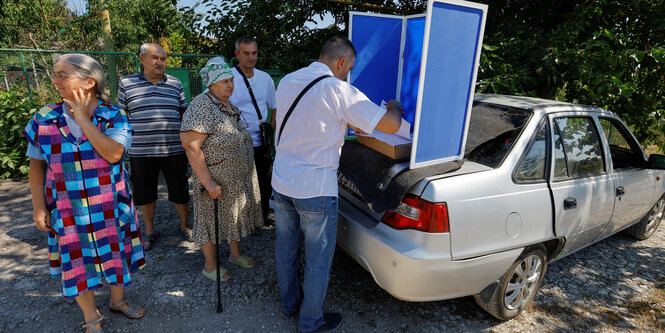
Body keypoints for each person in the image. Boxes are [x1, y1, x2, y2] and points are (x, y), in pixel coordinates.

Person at [272, 36, 402, 332]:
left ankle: (289, 305)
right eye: (349, 68)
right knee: (318, 259)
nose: (348, 74)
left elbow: (302, 120)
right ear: (341, 62)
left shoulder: (289, 80)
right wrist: (393, 106)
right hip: (315, 189)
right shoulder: (338, 89)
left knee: (286, 248)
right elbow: (391, 125)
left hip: (282, 182)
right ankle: (310, 322)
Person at [25, 54, 146, 333]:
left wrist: (82, 118)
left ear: (89, 82)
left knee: (115, 255)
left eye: (62, 75)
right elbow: (36, 166)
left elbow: (115, 154)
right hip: (68, 212)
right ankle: (91, 317)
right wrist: (38, 207)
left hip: (109, 207)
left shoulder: (113, 116)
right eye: (54, 75)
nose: (55, 81)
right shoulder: (44, 119)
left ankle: (118, 301)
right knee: (77, 263)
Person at [180, 57, 263, 281]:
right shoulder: (202, 104)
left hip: (235, 177)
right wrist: (208, 182)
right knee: (210, 221)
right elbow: (190, 145)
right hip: (215, 178)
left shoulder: (227, 105)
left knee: (232, 216)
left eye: (231, 81)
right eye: (224, 81)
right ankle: (209, 266)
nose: (230, 85)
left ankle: (235, 255)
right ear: (211, 83)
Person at [118, 43, 191, 250]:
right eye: (154, 58)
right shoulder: (126, 83)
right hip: (141, 151)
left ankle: (185, 226)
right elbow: (123, 116)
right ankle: (149, 231)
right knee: (144, 192)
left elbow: (183, 114)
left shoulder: (175, 83)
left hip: (173, 149)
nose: (160, 62)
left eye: (163, 59)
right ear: (142, 59)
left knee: (180, 189)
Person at [228, 36, 277, 225]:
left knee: (265, 183)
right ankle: (243, 221)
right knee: (241, 184)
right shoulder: (228, 77)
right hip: (237, 142)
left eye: (254, 53)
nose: (251, 57)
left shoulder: (265, 79)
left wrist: (270, 129)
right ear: (237, 54)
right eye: (246, 53)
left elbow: (275, 108)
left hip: (261, 142)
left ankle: (262, 217)